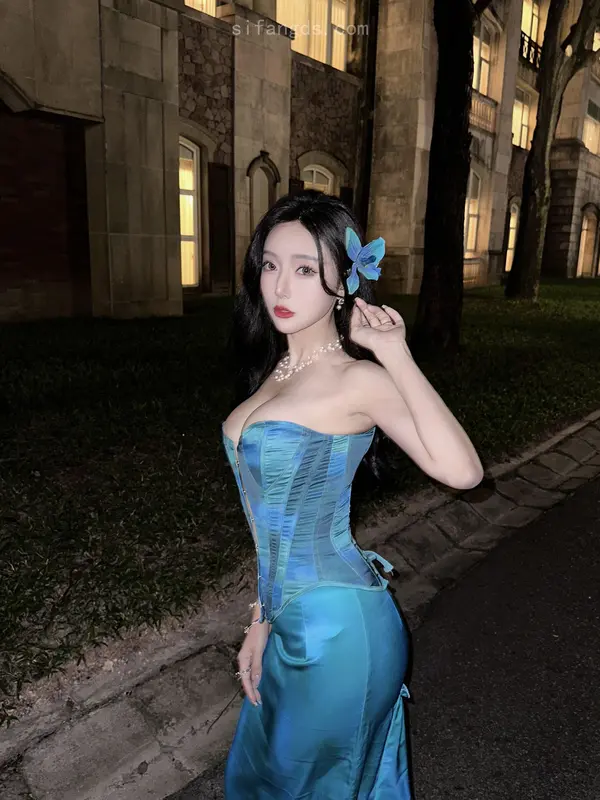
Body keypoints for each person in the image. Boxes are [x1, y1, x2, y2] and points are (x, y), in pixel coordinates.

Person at [221, 190, 483, 798]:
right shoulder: (274, 374)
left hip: (339, 632)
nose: (280, 286)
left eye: (304, 269)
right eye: (270, 264)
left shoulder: (358, 379)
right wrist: (259, 619)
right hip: (287, 620)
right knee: (263, 778)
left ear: (342, 282)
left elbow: (464, 472)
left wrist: (394, 354)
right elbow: (265, 521)